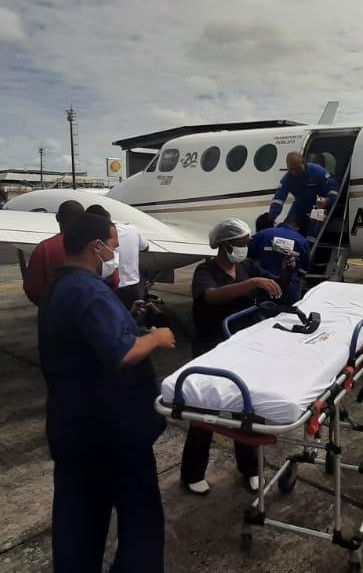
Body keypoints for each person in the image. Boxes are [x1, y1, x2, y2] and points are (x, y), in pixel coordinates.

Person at [38, 212, 176, 572]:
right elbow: (122, 353)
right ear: (95, 247)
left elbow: (90, 337)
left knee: (79, 522)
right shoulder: (87, 290)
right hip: (112, 433)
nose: (115, 253)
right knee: (140, 518)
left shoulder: (61, 284)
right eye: (113, 245)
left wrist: (127, 317)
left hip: (73, 428)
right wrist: (155, 338)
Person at [180, 217, 282, 495]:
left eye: (247, 243)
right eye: (241, 243)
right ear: (225, 245)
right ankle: (192, 473)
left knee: (246, 410)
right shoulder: (205, 270)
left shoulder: (247, 267)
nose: (245, 248)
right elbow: (211, 296)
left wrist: (284, 271)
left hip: (243, 348)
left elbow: (270, 282)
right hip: (211, 349)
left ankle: (249, 468)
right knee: (205, 412)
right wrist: (251, 285)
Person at [86, 204, 150, 310]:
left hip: (109, 291)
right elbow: (145, 247)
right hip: (133, 289)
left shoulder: (93, 239)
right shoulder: (132, 230)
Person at [22, 199, 85, 306]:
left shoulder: (44, 248)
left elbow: (32, 288)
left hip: (53, 312)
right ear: (83, 219)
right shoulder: (95, 246)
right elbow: (113, 280)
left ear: (57, 218)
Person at [248, 212, 309, 304]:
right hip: (289, 289)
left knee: (263, 314)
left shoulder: (262, 234)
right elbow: (304, 269)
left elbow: (248, 259)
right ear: (297, 227)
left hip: (264, 287)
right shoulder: (302, 240)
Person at [267, 151, 335, 233]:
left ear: (303, 163)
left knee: (313, 229)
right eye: (291, 169)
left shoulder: (318, 171)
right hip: (300, 206)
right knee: (288, 228)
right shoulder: (287, 178)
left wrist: (327, 201)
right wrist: (271, 217)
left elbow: (333, 189)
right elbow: (278, 199)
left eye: (297, 169)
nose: (294, 172)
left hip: (318, 206)